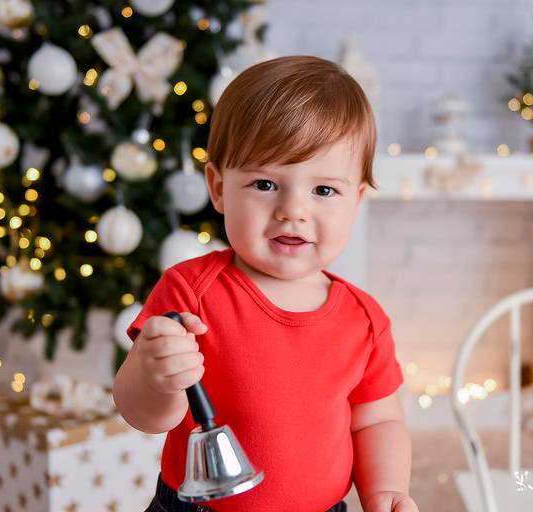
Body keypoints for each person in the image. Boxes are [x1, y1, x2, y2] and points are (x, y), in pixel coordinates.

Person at [113, 55, 419, 512]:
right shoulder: (190, 294)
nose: (292, 210)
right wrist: (156, 378)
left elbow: (377, 420)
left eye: (323, 190)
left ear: (356, 200)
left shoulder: (364, 320)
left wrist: (386, 491)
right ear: (218, 188)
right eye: (264, 184)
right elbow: (145, 416)